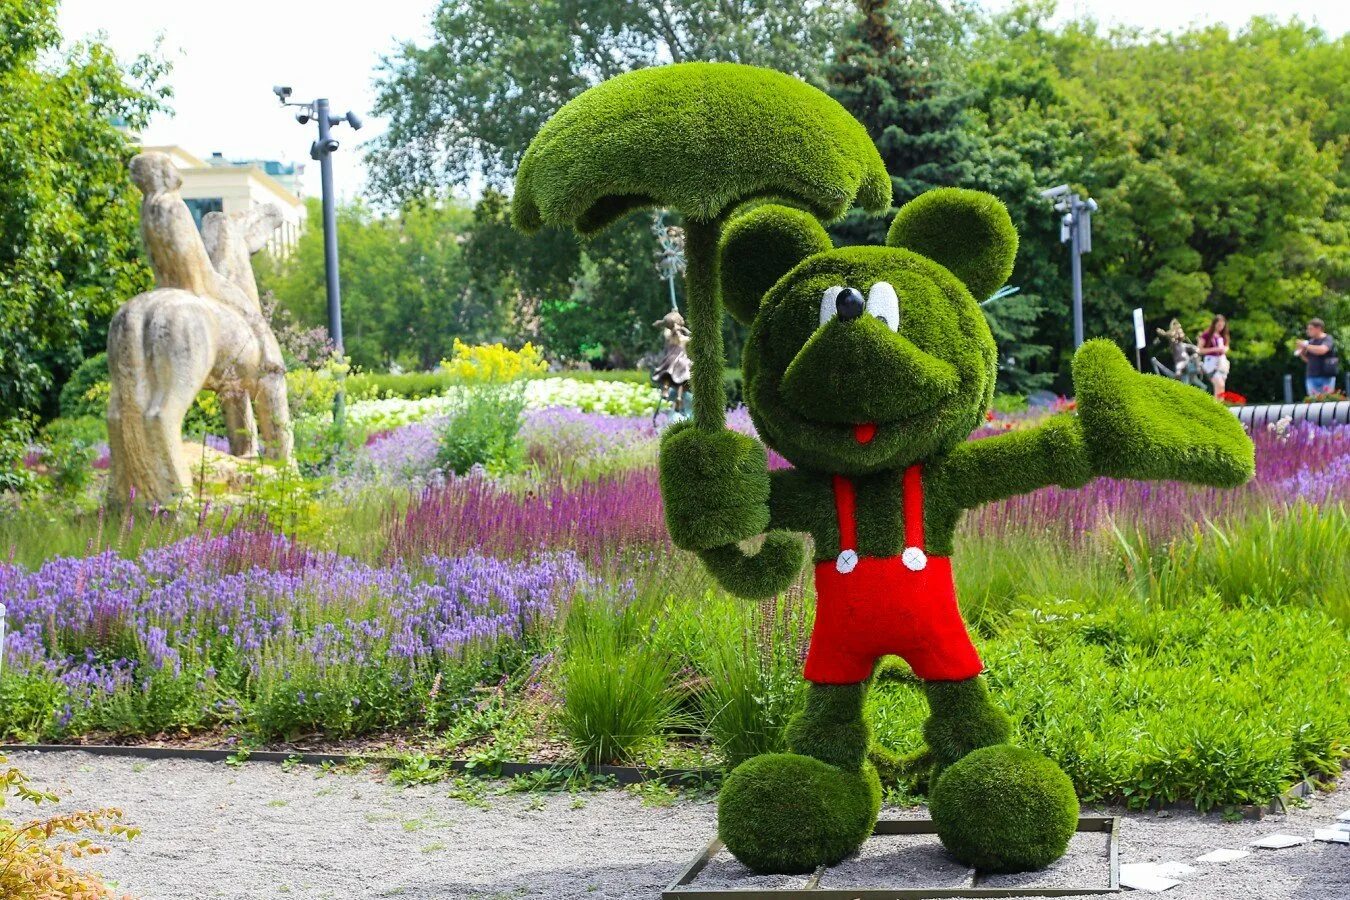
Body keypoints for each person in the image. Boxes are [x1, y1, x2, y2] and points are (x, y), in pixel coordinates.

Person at [1295, 318, 1339, 398]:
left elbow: (1322, 350)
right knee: (1313, 403)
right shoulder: (1310, 342)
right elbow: (1308, 360)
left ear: (1318, 328)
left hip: (1326, 376)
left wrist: (1306, 346)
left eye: (1310, 329)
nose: (1308, 331)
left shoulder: (1327, 339)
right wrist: (1301, 353)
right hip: (1311, 376)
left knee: (1327, 401)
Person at [1197, 314, 1231, 397]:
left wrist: (1224, 349)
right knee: (1219, 384)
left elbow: (1226, 346)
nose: (1221, 327)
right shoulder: (1207, 335)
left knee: (1222, 387)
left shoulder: (1223, 335)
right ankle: (1215, 407)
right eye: (1219, 325)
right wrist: (1215, 349)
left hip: (1222, 363)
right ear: (1214, 324)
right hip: (1211, 363)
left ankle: (1220, 406)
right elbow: (1199, 350)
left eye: (1222, 325)